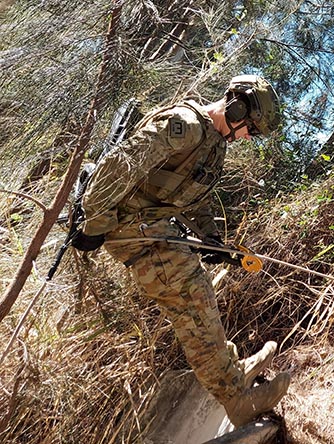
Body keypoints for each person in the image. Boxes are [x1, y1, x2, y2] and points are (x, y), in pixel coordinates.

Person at [70, 75, 290, 427]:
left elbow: (192, 200)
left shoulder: (215, 144)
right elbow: (118, 167)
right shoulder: (184, 125)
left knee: (199, 296)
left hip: (153, 229)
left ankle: (234, 372)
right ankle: (235, 399)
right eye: (251, 128)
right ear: (235, 109)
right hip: (131, 230)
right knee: (193, 301)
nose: (249, 137)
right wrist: (94, 224)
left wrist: (213, 241)